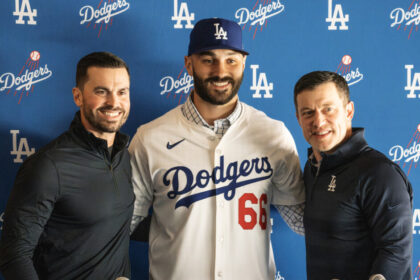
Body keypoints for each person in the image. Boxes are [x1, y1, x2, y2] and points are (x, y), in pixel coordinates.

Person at [129, 18, 305, 280]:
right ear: (189, 64)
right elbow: (121, 224)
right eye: (208, 59)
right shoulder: (150, 138)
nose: (221, 71)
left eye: (231, 60)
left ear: (244, 64)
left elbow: (303, 221)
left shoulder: (273, 135)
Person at [0, 52, 134, 280]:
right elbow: (14, 255)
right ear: (78, 96)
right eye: (101, 92)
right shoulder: (49, 165)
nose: (114, 102)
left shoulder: (123, 154)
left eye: (122, 92)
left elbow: (116, 220)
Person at [294, 71, 413, 280]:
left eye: (328, 109)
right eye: (308, 112)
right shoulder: (313, 167)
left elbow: (395, 253)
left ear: (349, 111)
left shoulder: (379, 173)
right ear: (298, 118)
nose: (318, 121)